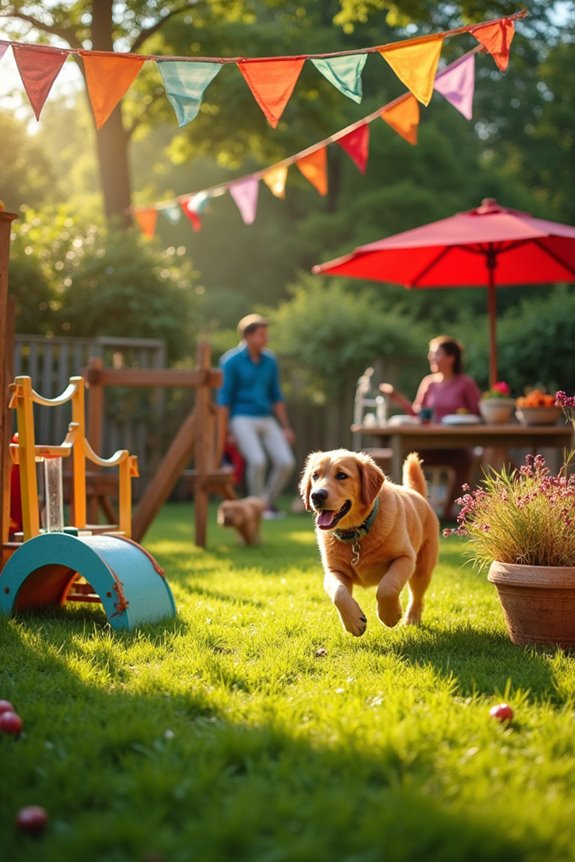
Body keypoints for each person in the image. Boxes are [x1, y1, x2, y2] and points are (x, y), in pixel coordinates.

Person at [379, 335, 481, 521]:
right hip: (429, 444)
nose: (431, 357)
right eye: (431, 354)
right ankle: (410, 510)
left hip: (455, 445)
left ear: (451, 358)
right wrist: (398, 398)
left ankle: (449, 514)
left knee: (465, 459)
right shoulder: (429, 383)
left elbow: (478, 412)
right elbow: (418, 415)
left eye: (436, 353)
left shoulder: (465, 383)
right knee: (407, 457)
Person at [217, 314, 296, 518]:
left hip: (266, 417)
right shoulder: (230, 361)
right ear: (248, 336)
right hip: (241, 417)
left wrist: (285, 427)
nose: (265, 339)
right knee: (258, 461)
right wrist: (226, 431)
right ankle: (256, 507)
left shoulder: (270, 361)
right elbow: (224, 399)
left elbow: (276, 395)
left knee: (286, 462)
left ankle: (264, 505)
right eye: (262, 335)